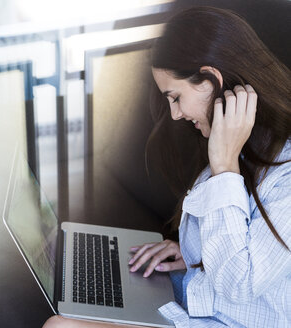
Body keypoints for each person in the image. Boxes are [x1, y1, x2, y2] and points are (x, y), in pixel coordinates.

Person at [43, 6, 291, 328]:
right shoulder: (246, 145)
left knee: (61, 326)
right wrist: (194, 257)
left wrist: (224, 166)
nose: (175, 114)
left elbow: (239, 284)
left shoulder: (274, 170)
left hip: (224, 320)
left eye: (175, 97)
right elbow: (251, 245)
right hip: (199, 296)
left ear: (210, 80)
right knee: (72, 287)